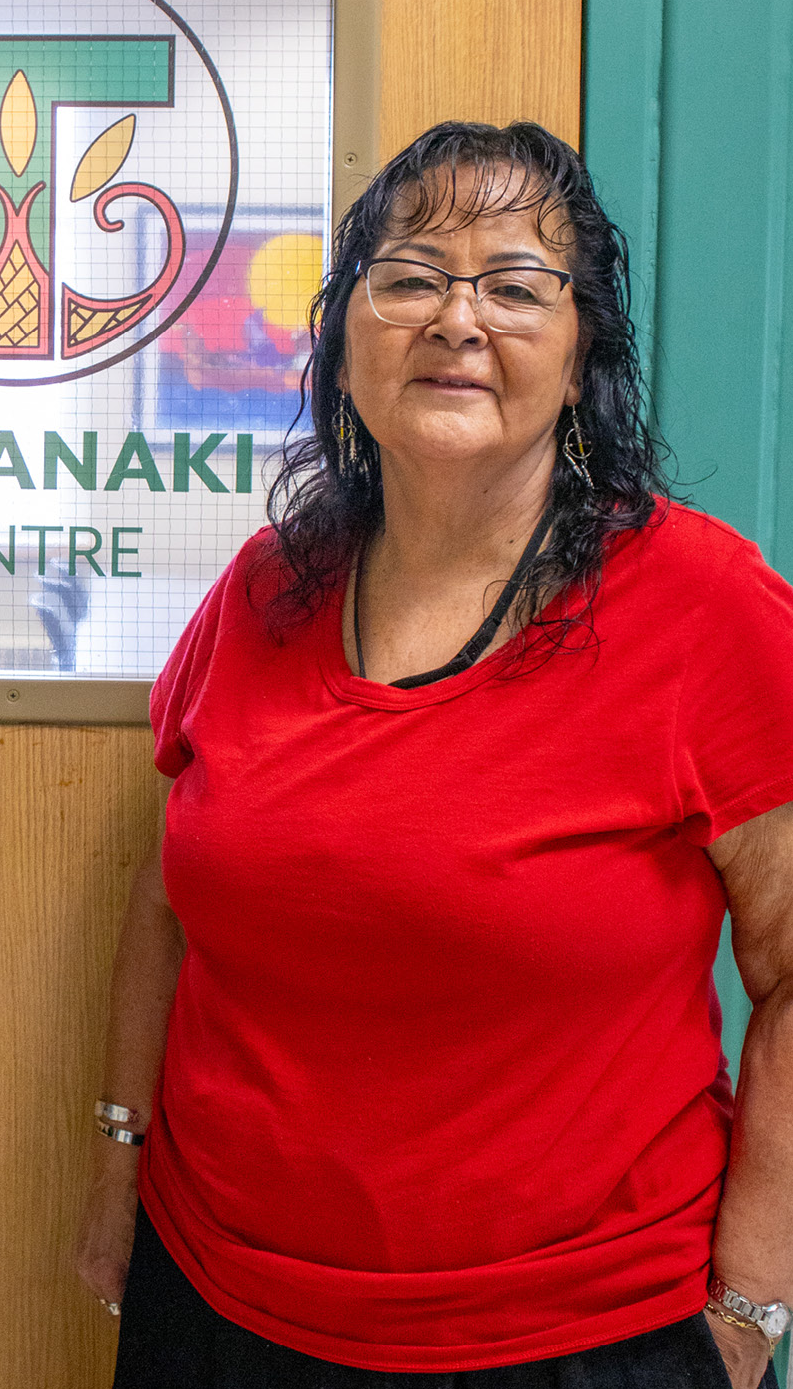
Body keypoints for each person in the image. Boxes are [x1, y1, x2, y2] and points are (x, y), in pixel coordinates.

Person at [75, 121, 793, 1388]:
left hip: (568, 1338)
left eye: (516, 287)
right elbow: (169, 893)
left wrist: (751, 1302)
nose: (456, 320)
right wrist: (118, 1160)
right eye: (407, 276)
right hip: (216, 1304)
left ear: (581, 362)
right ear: (344, 336)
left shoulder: (700, 605)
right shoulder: (262, 591)